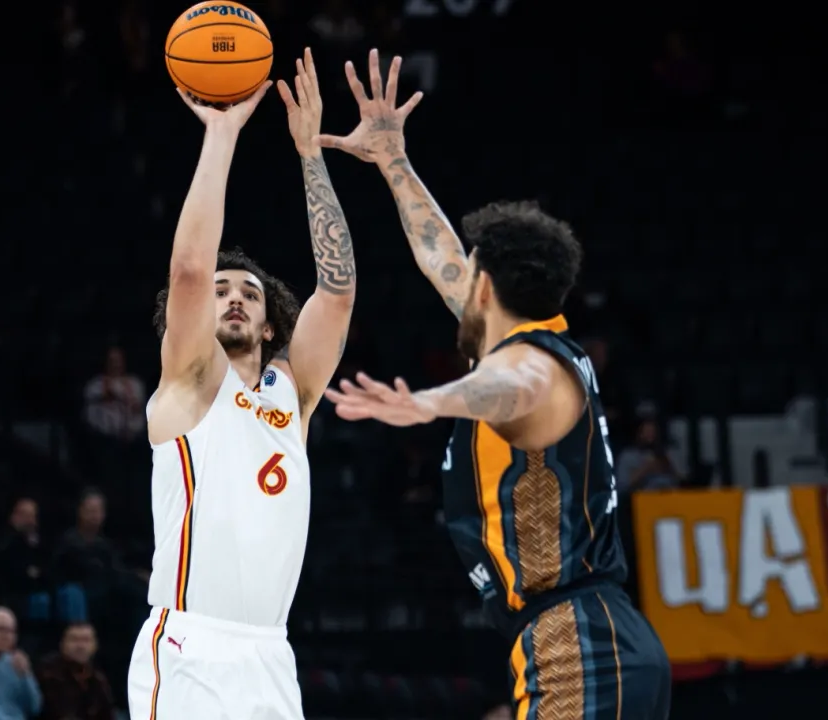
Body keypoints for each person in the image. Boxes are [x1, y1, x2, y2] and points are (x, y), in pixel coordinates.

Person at [320, 49, 671, 719]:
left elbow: (510, 388)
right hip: (582, 633)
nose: (459, 272)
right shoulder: (535, 338)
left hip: (577, 639)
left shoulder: (531, 364)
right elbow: (440, 255)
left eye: (471, 268)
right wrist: (393, 161)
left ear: (484, 288)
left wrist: (427, 402)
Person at [128, 48, 357, 720]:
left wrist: (310, 154)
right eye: (222, 291)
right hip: (189, 645)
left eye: (249, 293)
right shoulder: (190, 380)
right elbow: (190, 271)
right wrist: (222, 133)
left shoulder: (293, 392)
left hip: (271, 654)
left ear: (268, 323)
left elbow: (337, 292)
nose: (232, 297)